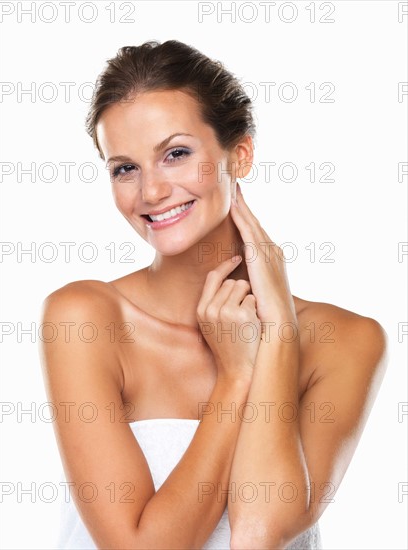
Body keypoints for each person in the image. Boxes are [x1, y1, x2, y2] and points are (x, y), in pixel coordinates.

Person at [39, 39, 388, 549]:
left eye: (176, 154)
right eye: (125, 167)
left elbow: (260, 533)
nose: (151, 192)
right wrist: (236, 376)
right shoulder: (85, 318)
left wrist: (278, 334)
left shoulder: (348, 340)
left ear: (239, 154)